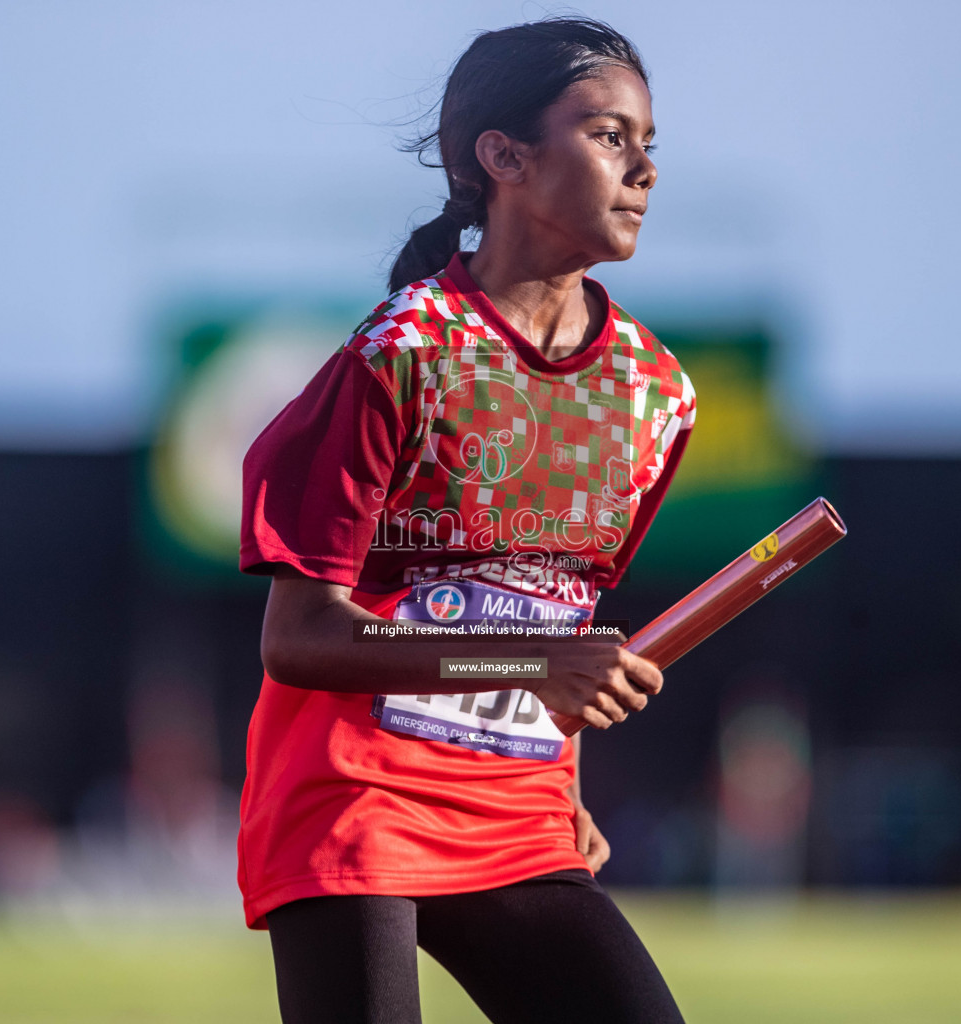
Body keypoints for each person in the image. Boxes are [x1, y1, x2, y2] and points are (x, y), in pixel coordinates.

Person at [238, 17, 695, 1023]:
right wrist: (536, 668)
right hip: (353, 800)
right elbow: (301, 638)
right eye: (610, 135)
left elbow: (553, 621)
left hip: (517, 812)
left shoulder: (657, 393)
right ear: (505, 157)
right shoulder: (402, 355)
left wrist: (566, 780)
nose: (645, 169)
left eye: (649, 143)